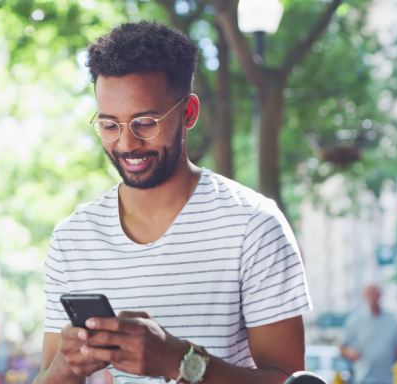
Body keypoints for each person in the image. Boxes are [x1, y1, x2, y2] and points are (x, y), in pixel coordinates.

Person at [35, 21, 313, 384]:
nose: (126, 144)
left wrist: (178, 361)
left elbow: (290, 381)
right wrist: (66, 367)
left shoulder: (254, 225)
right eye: (109, 125)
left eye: (145, 122)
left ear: (189, 113)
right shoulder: (72, 239)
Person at [340, 284, 397, 384]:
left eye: (375, 294)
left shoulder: (392, 320)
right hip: (363, 379)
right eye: (369, 294)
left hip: (389, 380)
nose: (372, 297)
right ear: (364, 296)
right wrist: (350, 353)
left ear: (380, 296)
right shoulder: (355, 320)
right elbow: (342, 348)